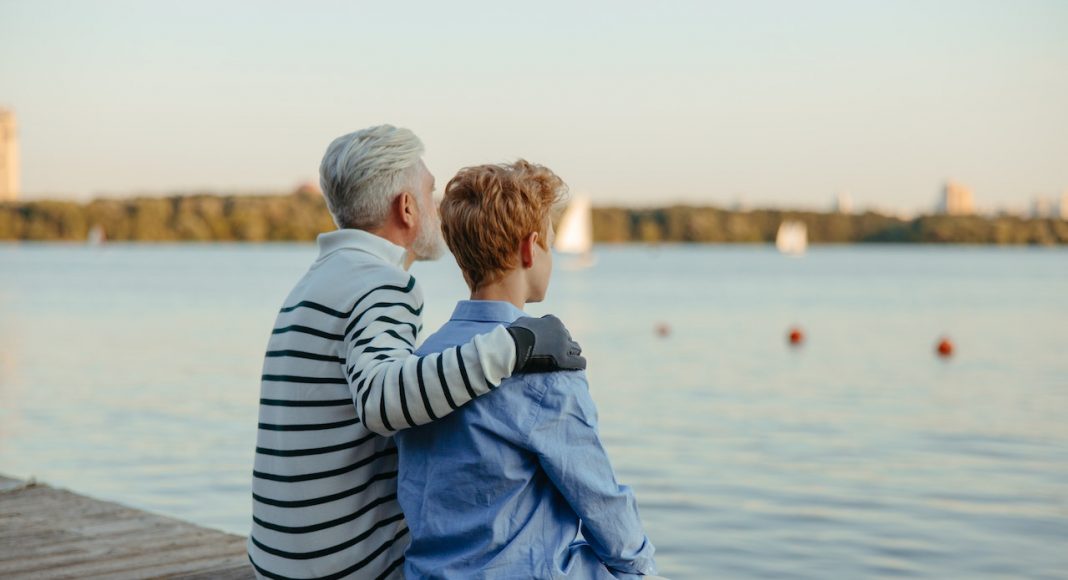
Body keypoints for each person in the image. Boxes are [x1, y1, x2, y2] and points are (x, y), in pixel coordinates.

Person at [248, 126, 586, 580]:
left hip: (279, 562)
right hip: (349, 570)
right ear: (406, 208)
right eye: (429, 193)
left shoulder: (317, 280)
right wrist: (519, 344)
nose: (438, 207)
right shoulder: (382, 283)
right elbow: (382, 402)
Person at [394, 160, 658, 579]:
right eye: (549, 244)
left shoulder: (422, 360)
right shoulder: (543, 368)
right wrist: (643, 569)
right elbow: (600, 500)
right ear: (529, 248)